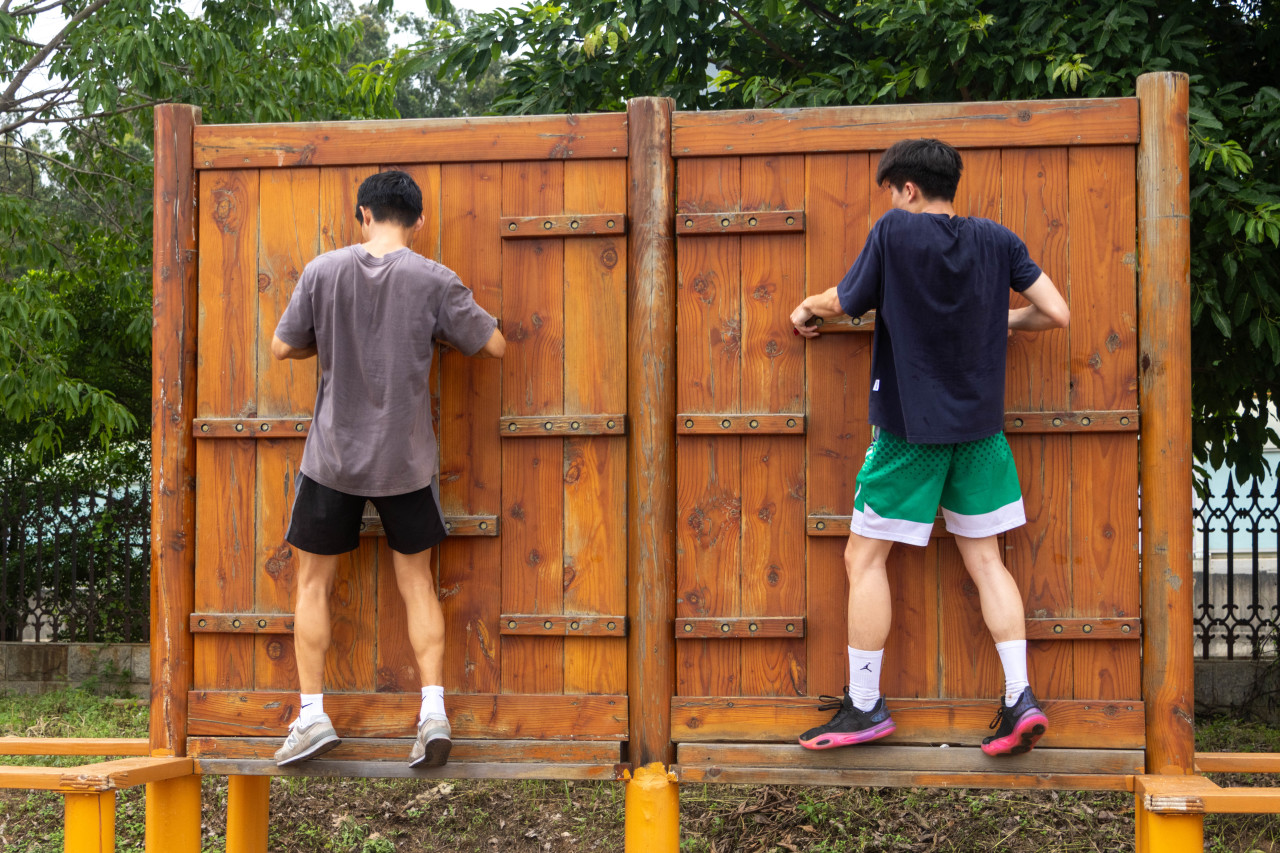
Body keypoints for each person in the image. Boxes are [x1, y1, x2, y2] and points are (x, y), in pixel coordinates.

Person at [788, 138, 1070, 756]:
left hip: (909, 435)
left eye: (893, 191)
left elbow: (845, 300)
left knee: (864, 559)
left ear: (908, 188)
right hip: (981, 434)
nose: (892, 201)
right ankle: (1020, 698)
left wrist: (806, 306)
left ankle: (866, 705)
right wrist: (1002, 320)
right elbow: (1056, 312)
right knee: (987, 562)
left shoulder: (895, 231)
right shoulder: (998, 239)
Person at [270, 169, 506, 768]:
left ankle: (312, 716)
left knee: (312, 585)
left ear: (363, 214)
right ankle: (433, 714)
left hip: (332, 458)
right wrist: (437, 333)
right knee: (417, 583)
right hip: (405, 460)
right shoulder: (435, 279)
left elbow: (282, 346)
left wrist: (327, 341)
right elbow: (494, 345)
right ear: (418, 220)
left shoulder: (323, 271)